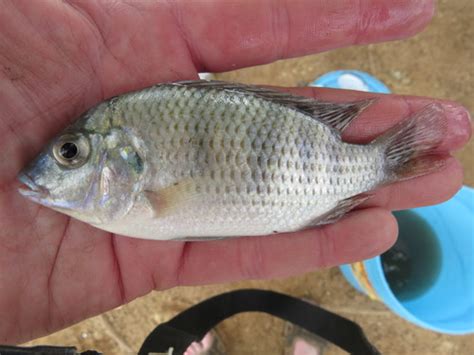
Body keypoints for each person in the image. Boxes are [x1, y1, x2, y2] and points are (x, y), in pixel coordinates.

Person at [0, 0, 471, 346]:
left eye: (69, 153)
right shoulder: (123, 200)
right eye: (68, 153)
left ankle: (385, 163)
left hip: (306, 179)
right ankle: (387, 164)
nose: (50, 168)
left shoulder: (129, 201)